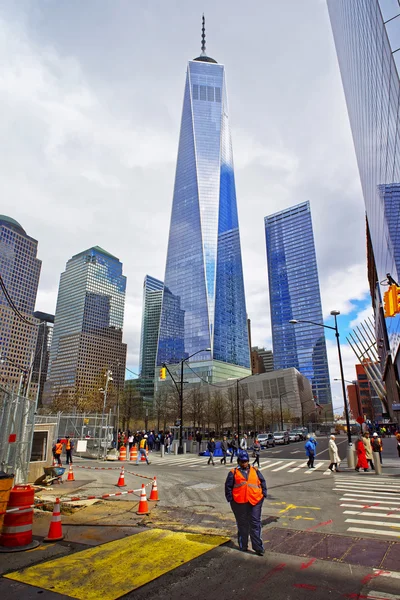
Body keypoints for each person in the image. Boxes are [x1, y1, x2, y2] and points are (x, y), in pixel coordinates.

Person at [225, 449, 267, 555]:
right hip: (239, 502)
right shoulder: (233, 472)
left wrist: (263, 494)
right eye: (242, 461)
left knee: (255, 523)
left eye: (246, 461)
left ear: (248, 461)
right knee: (243, 524)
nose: (244, 463)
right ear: (239, 461)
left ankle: (258, 548)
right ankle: (243, 545)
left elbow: (262, 482)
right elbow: (228, 487)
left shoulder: (255, 470)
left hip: (255, 500)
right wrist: (231, 499)